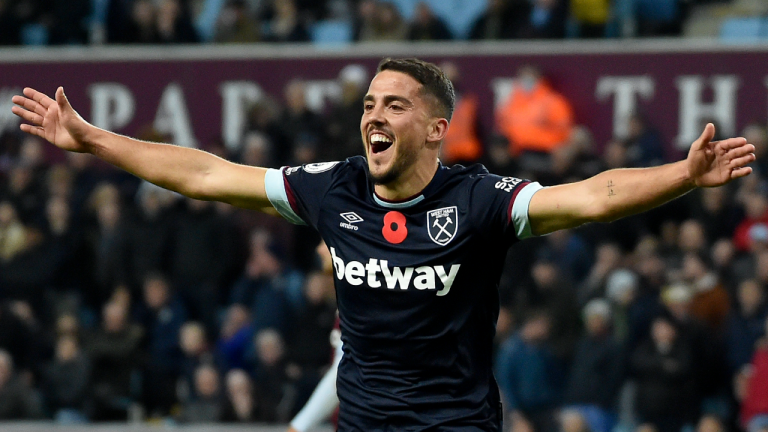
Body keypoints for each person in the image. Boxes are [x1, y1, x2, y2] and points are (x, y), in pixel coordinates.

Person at [11, 57, 755, 430]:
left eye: (395, 105)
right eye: (369, 104)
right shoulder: (331, 190)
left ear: (435, 129)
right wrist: (94, 140)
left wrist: (684, 176)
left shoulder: (478, 202)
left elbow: (593, 196)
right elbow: (206, 174)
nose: (374, 115)